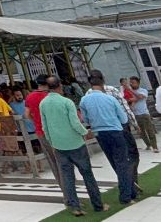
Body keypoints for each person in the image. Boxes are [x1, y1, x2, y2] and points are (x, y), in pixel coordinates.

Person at [40, 76, 107, 216]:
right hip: (75, 143)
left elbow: (45, 127)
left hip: (58, 145)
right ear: (59, 86)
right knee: (87, 174)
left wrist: (52, 142)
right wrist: (85, 132)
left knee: (67, 177)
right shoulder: (66, 102)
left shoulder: (43, 104)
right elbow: (75, 123)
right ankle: (98, 205)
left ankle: (75, 207)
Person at [80, 74, 137, 205]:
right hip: (115, 131)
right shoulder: (110, 98)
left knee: (114, 162)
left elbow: (85, 119)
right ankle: (126, 196)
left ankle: (131, 190)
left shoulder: (84, 100)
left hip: (99, 133)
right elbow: (123, 118)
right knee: (122, 163)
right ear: (102, 84)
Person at [26, 74, 65, 198]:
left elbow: (27, 114)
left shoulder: (30, 97)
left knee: (53, 162)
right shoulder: (50, 96)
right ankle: (69, 191)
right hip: (57, 131)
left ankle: (64, 190)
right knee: (63, 161)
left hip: (41, 132)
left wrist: (36, 121)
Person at [0, 85, 20, 172]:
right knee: (10, 145)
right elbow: (12, 111)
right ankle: (8, 167)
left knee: (9, 146)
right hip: (9, 125)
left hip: (3, 125)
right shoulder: (1, 100)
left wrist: (3, 126)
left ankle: (26, 165)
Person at [129, 76, 159, 152]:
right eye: (131, 83)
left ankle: (154, 147)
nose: (131, 84)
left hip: (144, 113)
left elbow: (140, 96)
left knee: (150, 130)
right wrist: (134, 98)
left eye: (133, 83)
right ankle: (148, 145)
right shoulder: (129, 92)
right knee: (141, 132)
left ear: (138, 83)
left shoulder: (143, 90)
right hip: (135, 114)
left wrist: (133, 96)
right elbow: (128, 99)